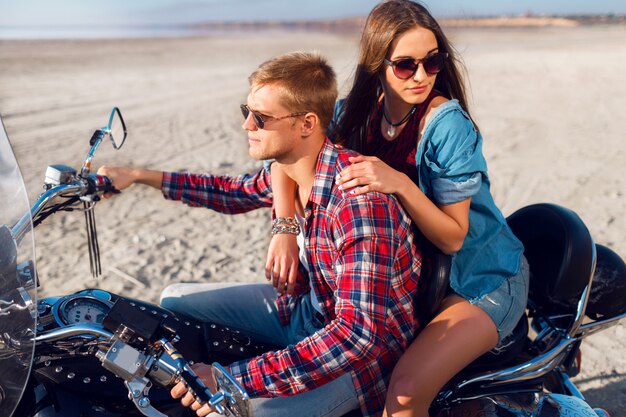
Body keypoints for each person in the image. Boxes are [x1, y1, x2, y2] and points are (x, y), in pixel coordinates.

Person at [98, 51, 422, 417]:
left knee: (237, 413)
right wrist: (138, 176)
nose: (246, 125)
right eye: (246, 111)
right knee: (173, 301)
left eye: (261, 118)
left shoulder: (358, 205)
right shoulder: (295, 170)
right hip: (303, 312)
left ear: (306, 124)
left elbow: (356, 338)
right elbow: (229, 191)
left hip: (357, 367)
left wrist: (230, 378)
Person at [265, 2, 530, 416]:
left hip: (480, 279)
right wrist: (283, 228)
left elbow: (454, 235)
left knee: (405, 394)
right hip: (411, 281)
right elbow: (289, 156)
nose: (422, 75)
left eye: (433, 61)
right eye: (406, 65)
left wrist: (401, 183)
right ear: (378, 64)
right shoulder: (353, 114)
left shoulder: (446, 125)